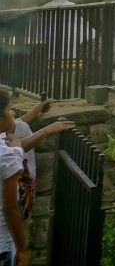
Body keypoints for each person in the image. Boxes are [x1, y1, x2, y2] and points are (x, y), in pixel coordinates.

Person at [4, 99, 74, 222]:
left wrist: (33, 112)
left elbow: (16, 124)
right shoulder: (5, 144)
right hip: (17, 200)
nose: (14, 113)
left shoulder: (6, 129)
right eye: (10, 110)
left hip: (23, 193)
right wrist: (47, 130)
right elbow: (20, 147)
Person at [0, 90, 27, 266]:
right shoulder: (6, 156)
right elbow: (10, 207)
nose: (13, 114)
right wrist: (23, 249)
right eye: (10, 110)